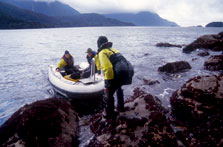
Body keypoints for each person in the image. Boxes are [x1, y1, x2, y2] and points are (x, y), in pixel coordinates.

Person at [96, 36, 134, 118]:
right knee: (118, 87)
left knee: (109, 93)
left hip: (119, 72)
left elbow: (108, 68)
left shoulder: (102, 52)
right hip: (127, 71)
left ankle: (110, 113)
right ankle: (121, 107)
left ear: (99, 44)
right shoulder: (114, 50)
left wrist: (107, 84)